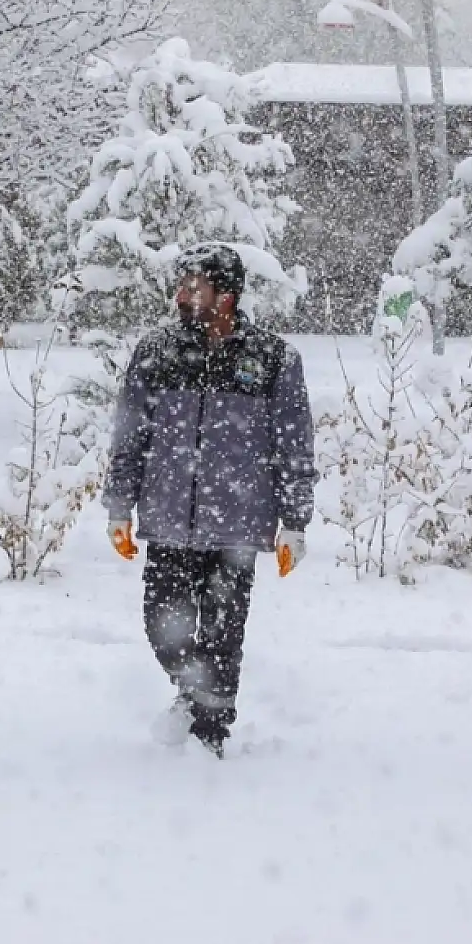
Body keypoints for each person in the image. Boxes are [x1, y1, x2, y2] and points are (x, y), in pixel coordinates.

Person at [102, 243, 316, 758]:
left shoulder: (271, 358)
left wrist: (295, 521)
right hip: (169, 520)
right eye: (182, 285)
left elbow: (295, 442)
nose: (181, 295)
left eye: (193, 287)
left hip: (238, 528)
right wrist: (118, 508)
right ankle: (192, 689)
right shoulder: (157, 351)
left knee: (224, 639)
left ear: (226, 294)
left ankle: (209, 738)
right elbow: (129, 434)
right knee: (162, 627)